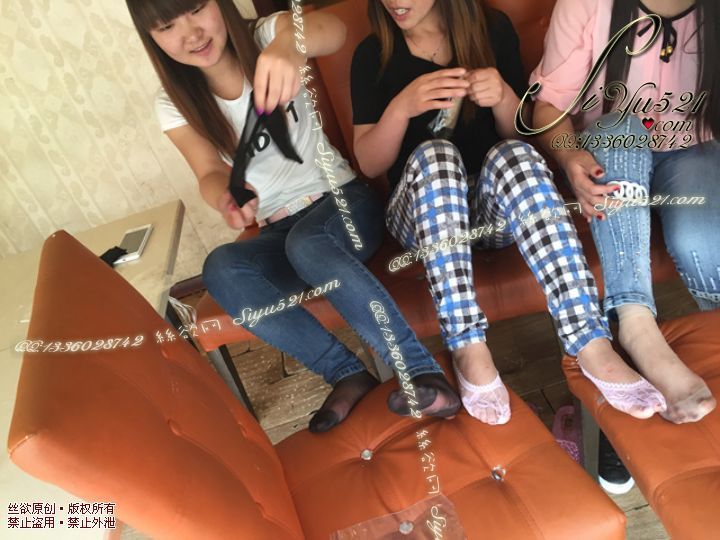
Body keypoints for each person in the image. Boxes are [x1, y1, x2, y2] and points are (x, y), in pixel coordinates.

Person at [126, 0, 462, 433]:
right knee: (222, 268)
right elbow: (208, 170)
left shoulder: (266, 36)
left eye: (196, 9)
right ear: (152, 39)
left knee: (308, 243)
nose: (190, 34)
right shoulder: (173, 103)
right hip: (280, 233)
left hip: (343, 203)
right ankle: (345, 373)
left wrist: (289, 45)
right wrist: (226, 195)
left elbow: (334, 30)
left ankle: (418, 370)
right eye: (167, 27)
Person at [351, 0, 667, 425]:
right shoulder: (373, 54)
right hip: (422, 215)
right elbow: (369, 162)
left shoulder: (491, 29)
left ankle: (588, 338)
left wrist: (502, 95)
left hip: (493, 209)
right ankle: (467, 344)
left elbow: (520, 135)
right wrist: (402, 107)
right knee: (436, 155)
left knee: (514, 155)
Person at [532, 0, 718, 425]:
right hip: (612, 150)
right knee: (620, 125)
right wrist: (569, 157)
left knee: (699, 237)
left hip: (694, 148)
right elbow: (548, 105)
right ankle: (636, 327)